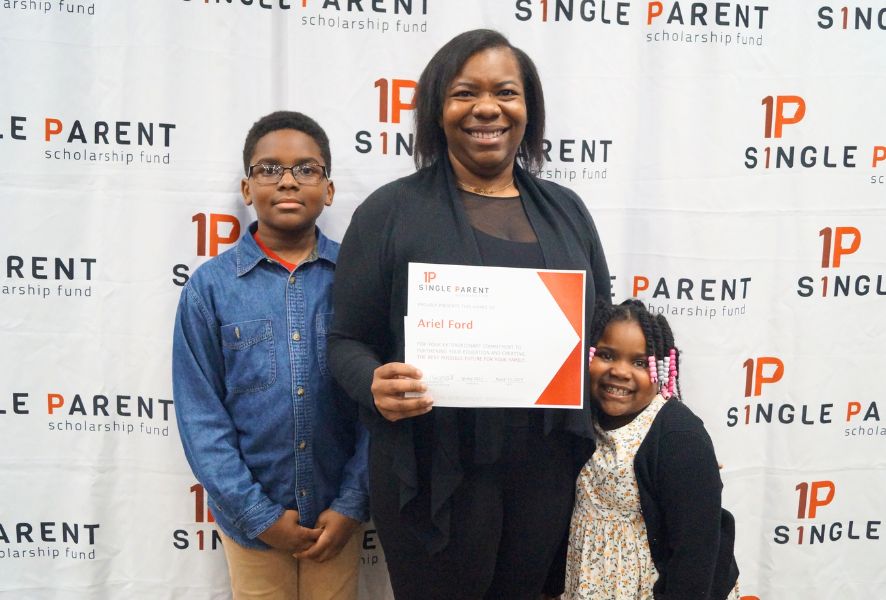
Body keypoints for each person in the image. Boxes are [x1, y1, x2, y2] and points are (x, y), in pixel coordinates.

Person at [328, 29, 610, 600]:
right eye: (464, 93)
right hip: (433, 471)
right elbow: (345, 341)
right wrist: (373, 381)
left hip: (544, 470)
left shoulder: (567, 212)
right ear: (437, 109)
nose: (487, 108)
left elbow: (597, 324)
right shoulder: (390, 211)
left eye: (505, 91)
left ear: (528, 108)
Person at [172, 111, 369, 600]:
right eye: (268, 169)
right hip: (251, 521)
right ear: (246, 188)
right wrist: (256, 515)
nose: (286, 180)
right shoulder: (210, 288)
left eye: (306, 169)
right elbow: (201, 417)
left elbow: (374, 403)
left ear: (328, 189)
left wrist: (351, 502)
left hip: (335, 518)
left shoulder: (357, 280)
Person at [565, 299, 740, 600]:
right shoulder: (580, 419)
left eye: (639, 363)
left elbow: (696, 551)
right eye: (607, 355)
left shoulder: (678, 435)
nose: (620, 371)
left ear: (662, 370)